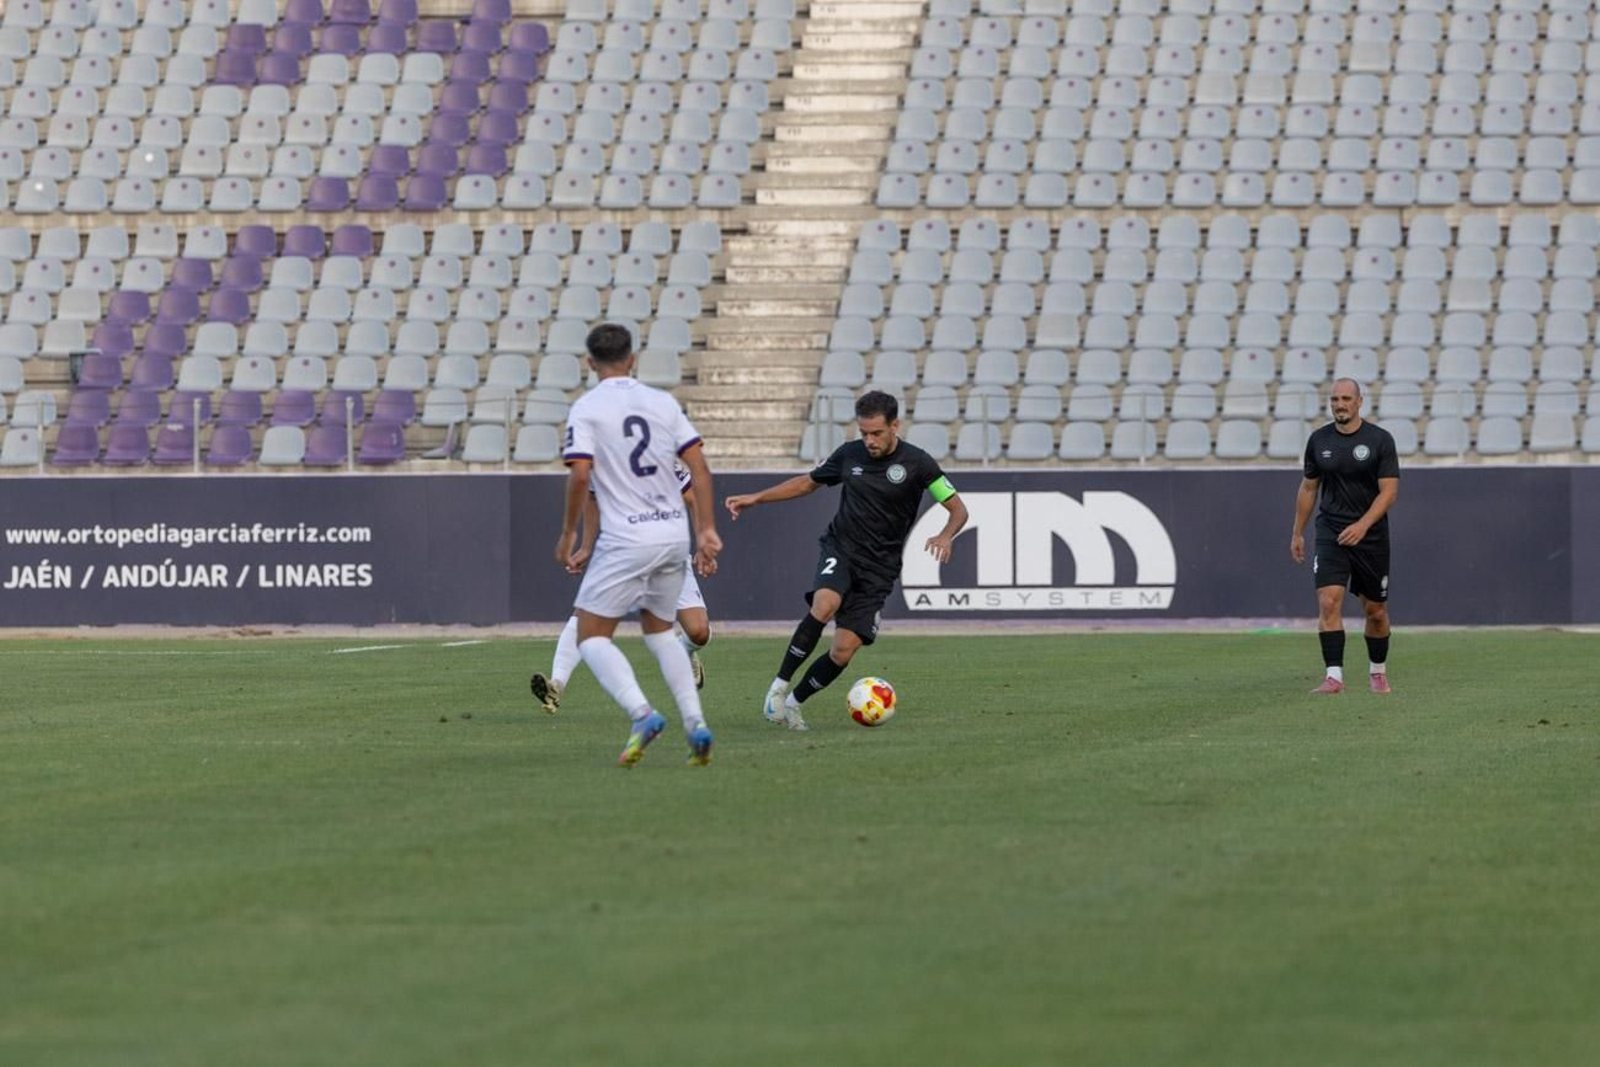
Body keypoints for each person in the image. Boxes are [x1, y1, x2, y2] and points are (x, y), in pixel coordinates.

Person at [724, 390, 967, 730]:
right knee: (824, 605)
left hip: (880, 568)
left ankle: (793, 704)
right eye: (864, 433)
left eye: (877, 433)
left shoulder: (919, 463)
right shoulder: (849, 455)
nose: (869, 440)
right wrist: (757, 498)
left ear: (895, 425)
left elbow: (958, 508)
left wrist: (945, 534)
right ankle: (778, 687)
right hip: (842, 548)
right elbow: (806, 484)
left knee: (843, 650)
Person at [556, 324, 722, 766]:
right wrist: (706, 530)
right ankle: (696, 723)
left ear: (590, 364)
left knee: (592, 638)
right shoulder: (662, 403)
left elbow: (580, 475)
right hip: (672, 535)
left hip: (627, 537)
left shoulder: (587, 409)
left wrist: (568, 533)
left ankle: (642, 714)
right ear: (633, 359)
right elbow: (699, 466)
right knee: (660, 631)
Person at [533, 462, 713, 712]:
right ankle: (557, 684)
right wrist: (586, 546)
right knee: (585, 616)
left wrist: (704, 541)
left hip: (668, 552)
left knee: (699, 632)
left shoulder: (655, 454)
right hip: (622, 552)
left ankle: (685, 653)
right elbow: (591, 498)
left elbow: (691, 497)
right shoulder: (601, 458)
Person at [1290, 377, 1400, 694]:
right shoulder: (1318, 441)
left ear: (1359, 402)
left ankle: (1377, 671)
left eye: (1346, 399)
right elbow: (1309, 487)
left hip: (1371, 536)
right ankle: (1334, 676)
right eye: (1335, 399)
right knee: (1328, 601)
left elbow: (1389, 492)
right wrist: (1297, 531)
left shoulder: (1380, 440)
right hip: (1331, 532)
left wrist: (1363, 525)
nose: (1340, 405)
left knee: (1376, 612)